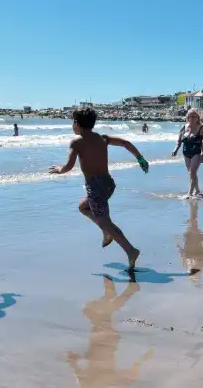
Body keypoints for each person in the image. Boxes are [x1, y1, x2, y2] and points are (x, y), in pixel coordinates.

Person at [49, 108, 149, 271]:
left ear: (77, 124)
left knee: (105, 221)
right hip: (108, 185)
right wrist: (140, 158)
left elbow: (68, 166)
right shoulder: (102, 138)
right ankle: (106, 232)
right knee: (83, 207)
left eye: (72, 121)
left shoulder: (77, 142)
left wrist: (60, 170)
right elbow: (125, 143)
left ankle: (130, 250)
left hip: (95, 187)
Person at [171, 108, 203, 197]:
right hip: (186, 152)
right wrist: (175, 150)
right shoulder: (184, 127)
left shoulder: (201, 128)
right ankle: (197, 190)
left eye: (195, 116)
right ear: (187, 117)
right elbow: (179, 141)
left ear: (198, 117)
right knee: (191, 173)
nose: (193, 118)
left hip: (197, 152)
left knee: (192, 172)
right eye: (191, 116)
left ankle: (190, 192)